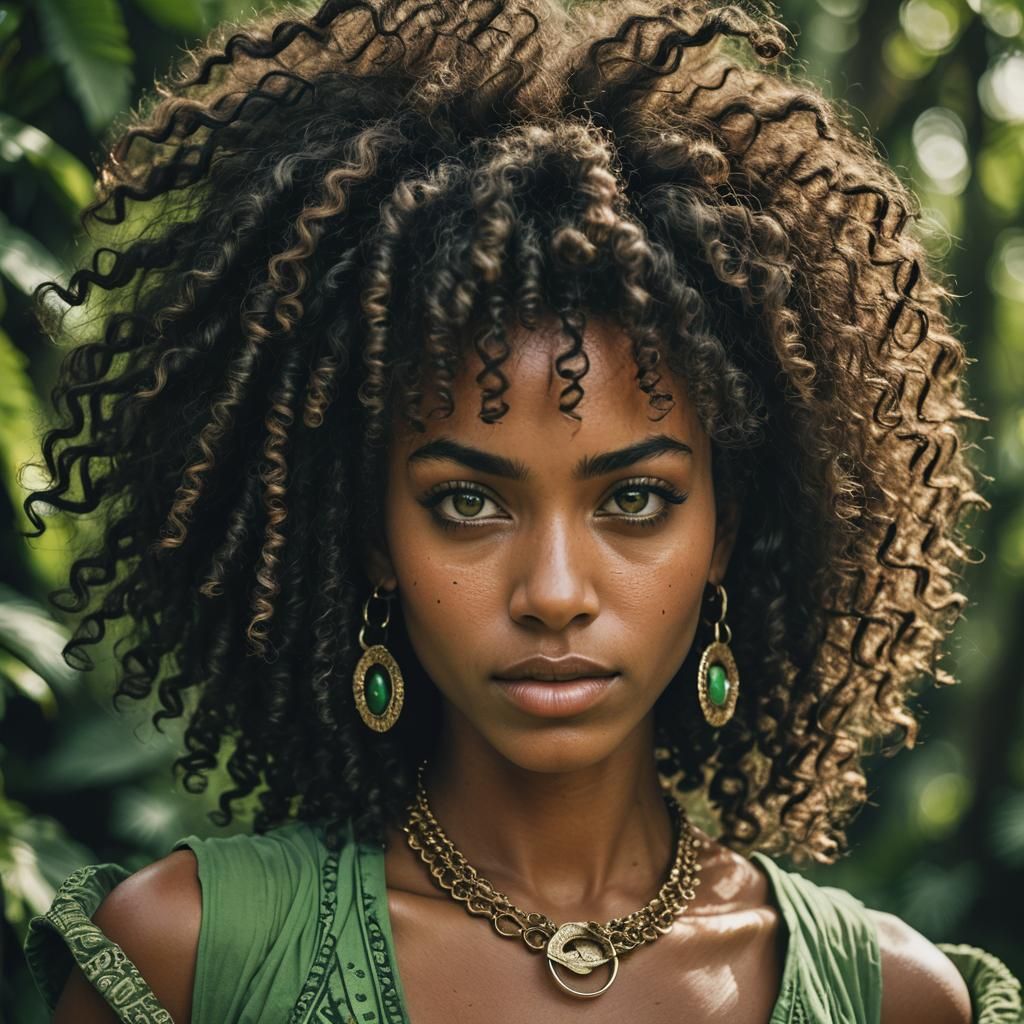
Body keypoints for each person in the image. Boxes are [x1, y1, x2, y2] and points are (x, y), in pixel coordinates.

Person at [19, 0, 1022, 1021]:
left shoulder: (892, 999)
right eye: (467, 501)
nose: (552, 592)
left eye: (634, 499)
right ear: (373, 540)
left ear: (722, 531)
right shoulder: (190, 957)